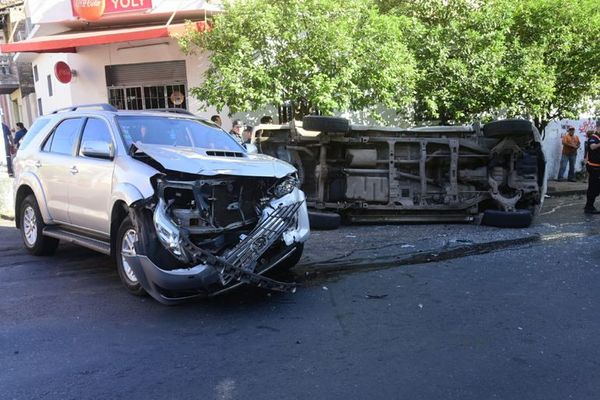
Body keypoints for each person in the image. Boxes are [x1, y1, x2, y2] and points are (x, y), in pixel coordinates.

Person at [584, 130, 600, 214]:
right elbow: (592, 147)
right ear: (598, 128)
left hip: (598, 167)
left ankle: (590, 206)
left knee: (596, 188)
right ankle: (589, 207)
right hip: (594, 167)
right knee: (593, 187)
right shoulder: (593, 138)